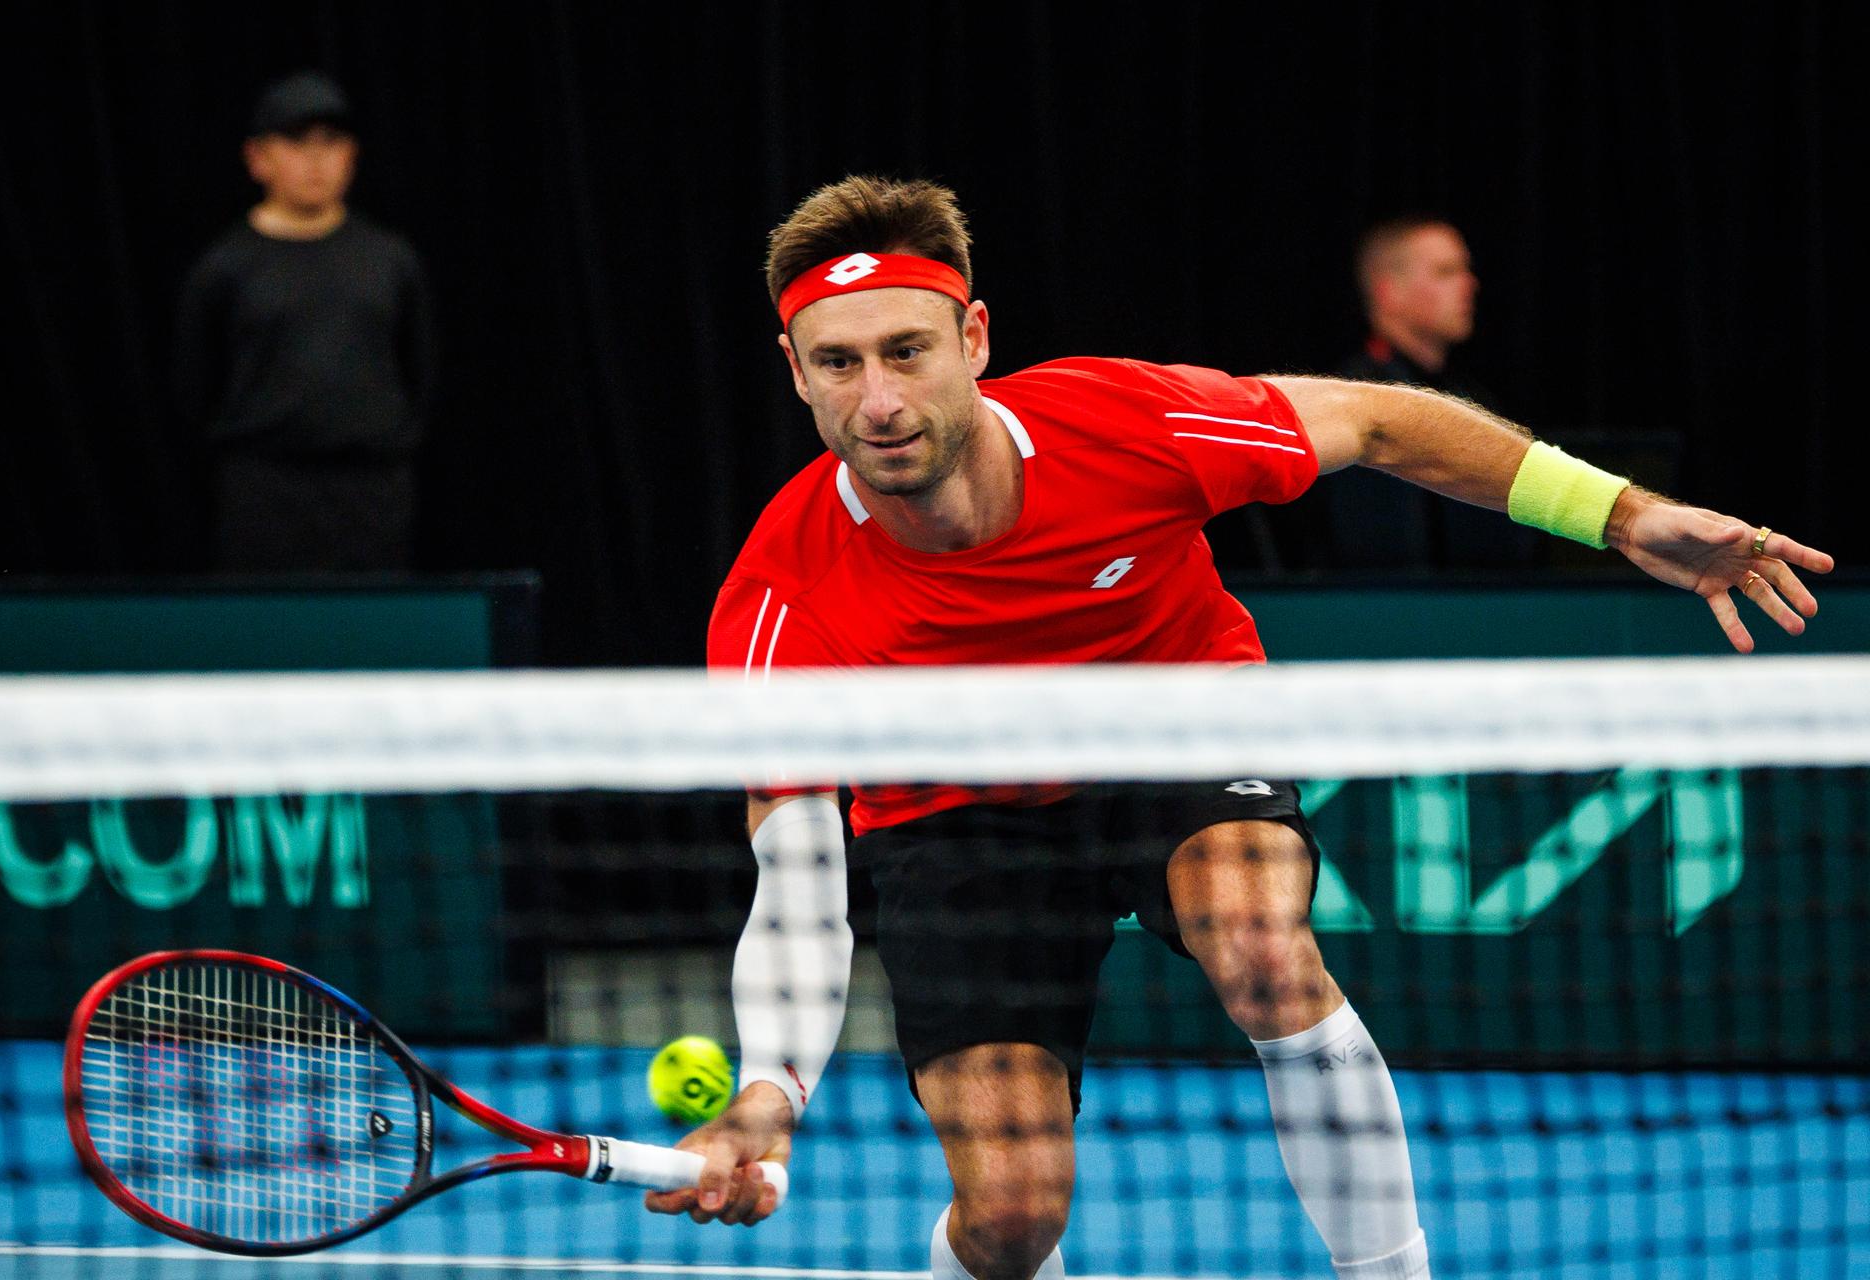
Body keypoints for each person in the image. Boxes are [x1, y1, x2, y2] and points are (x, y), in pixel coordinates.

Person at [652, 177, 1831, 1280]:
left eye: (906, 350)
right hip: (957, 821)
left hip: (1175, 733)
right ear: (796, 372)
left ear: (972, 341)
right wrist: (773, 1088)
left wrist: (1624, 518)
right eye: (838, 363)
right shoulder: (780, 598)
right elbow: (798, 872)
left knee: (1263, 947)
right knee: (1012, 1218)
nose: (881, 399)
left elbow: (1377, 421)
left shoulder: (1129, 425)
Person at [173, 71, 434, 572]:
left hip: (372, 491)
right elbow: (194, 384)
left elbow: (420, 368)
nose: (316, 160)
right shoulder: (225, 266)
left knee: (369, 633)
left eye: (331, 143)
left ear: (352, 155)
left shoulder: (389, 258)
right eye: (296, 142)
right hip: (265, 493)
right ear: (258, 158)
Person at [1317, 216, 1530, 570]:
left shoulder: (1475, 399)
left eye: (1465, 269)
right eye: (1446, 272)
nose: (1469, 283)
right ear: (1389, 291)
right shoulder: (1346, 402)